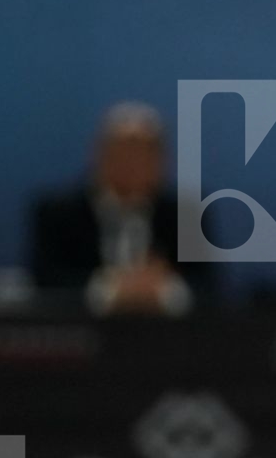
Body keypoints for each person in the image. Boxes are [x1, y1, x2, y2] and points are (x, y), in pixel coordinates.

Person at [29, 102, 208, 315]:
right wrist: (109, 289)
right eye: (124, 152)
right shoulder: (59, 212)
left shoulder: (185, 214)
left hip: (168, 339)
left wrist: (166, 289)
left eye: (144, 153)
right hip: (80, 337)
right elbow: (45, 281)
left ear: (162, 162)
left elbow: (209, 286)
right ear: (98, 155)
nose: (133, 163)